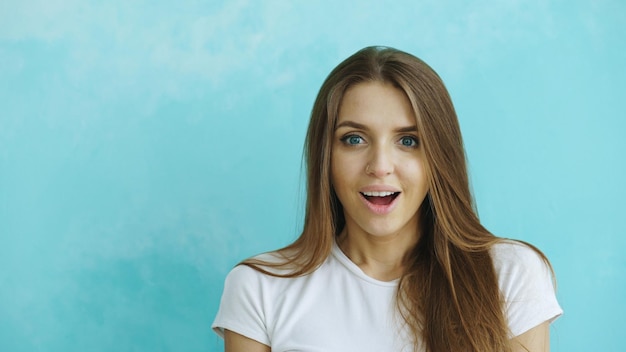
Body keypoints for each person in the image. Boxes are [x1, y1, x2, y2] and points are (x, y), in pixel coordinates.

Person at [212, 46, 562, 352]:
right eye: (354, 139)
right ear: (325, 156)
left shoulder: (510, 274)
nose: (380, 167)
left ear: (438, 157)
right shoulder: (259, 287)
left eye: (408, 141)